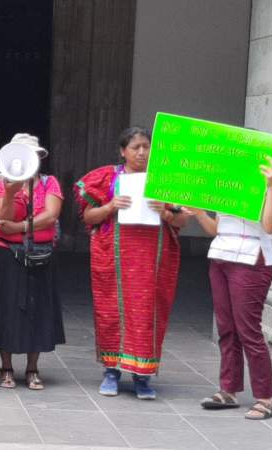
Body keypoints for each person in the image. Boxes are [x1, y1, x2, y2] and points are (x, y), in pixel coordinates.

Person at [75, 127, 188, 399]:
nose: (141, 152)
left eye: (146, 147)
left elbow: (183, 220)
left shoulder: (166, 180)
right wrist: (111, 206)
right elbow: (89, 218)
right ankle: (111, 373)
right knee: (111, 311)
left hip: (152, 261)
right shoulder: (106, 178)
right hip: (114, 260)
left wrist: (167, 213)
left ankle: (142, 376)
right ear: (122, 151)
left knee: (148, 314)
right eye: (135, 147)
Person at [194, 157, 272, 420]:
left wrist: (271, 185)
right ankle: (229, 390)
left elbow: (270, 225)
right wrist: (198, 212)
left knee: (248, 330)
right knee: (227, 328)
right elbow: (217, 229)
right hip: (221, 257)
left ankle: (265, 398)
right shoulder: (224, 188)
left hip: (252, 260)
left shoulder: (271, 185)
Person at [0, 133, 65, 390]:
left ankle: (32, 368)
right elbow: (0, 220)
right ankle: (6, 367)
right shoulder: (0, 183)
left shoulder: (50, 183)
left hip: (40, 253)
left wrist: (18, 226)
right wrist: (10, 193)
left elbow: (50, 216)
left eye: (35, 155)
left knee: (37, 310)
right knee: (6, 309)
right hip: (7, 254)